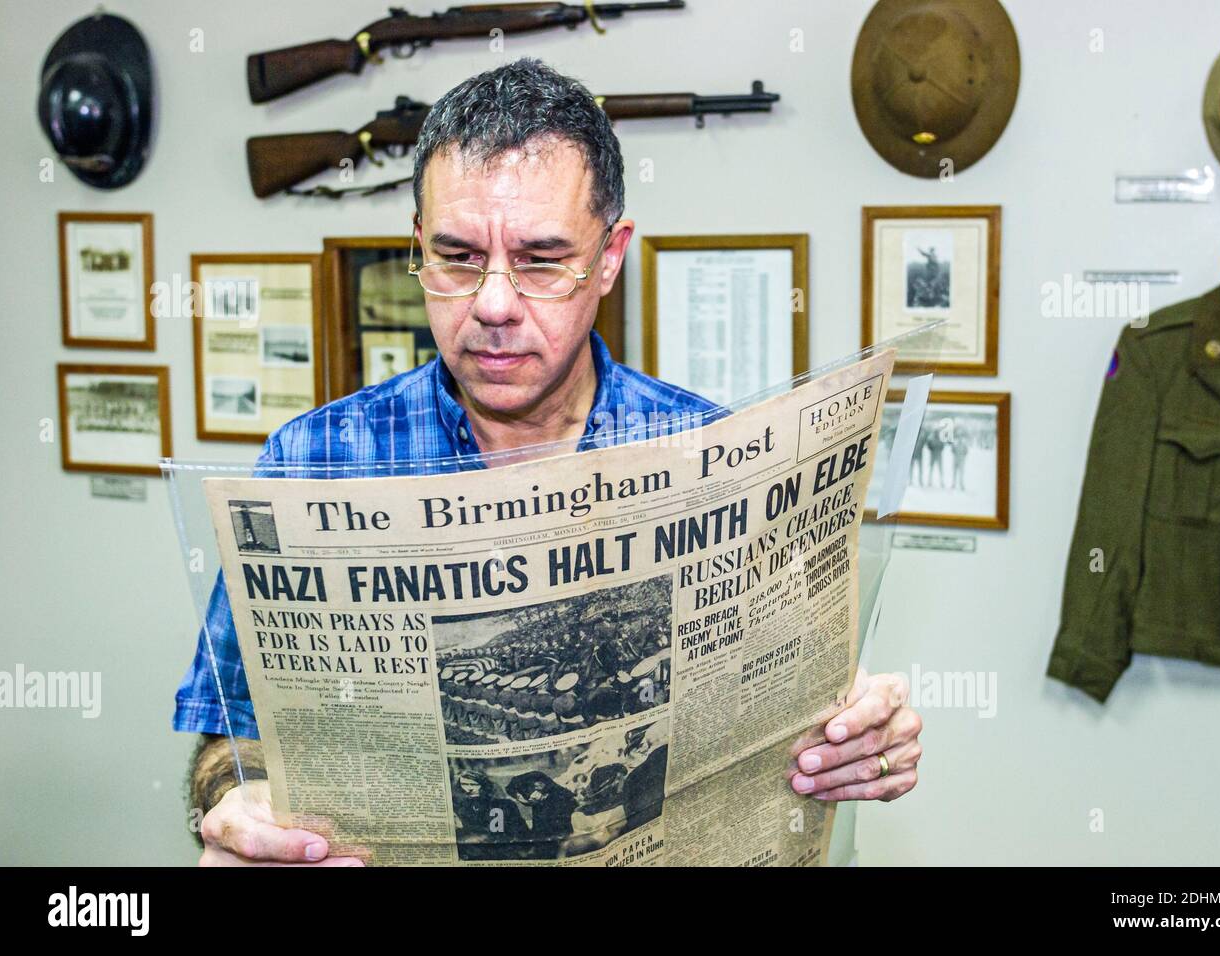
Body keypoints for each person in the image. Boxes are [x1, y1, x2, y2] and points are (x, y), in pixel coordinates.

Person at [178, 58, 923, 867]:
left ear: (609, 257)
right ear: (418, 249)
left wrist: (850, 740)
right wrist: (230, 806)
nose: (493, 305)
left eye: (540, 260)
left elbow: (778, 725)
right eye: (458, 257)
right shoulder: (315, 461)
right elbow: (228, 733)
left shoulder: (710, 455)